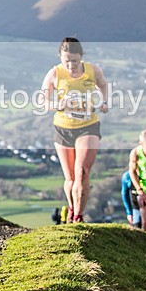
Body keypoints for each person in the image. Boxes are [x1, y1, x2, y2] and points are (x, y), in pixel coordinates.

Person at [38, 37, 108, 223]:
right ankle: (71, 208)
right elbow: (43, 101)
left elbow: (103, 86)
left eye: (74, 61)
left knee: (82, 172)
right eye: (66, 60)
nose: (70, 65)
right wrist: (57, 105)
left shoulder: (93, 70)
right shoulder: (54, 73)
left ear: (81, 57)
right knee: (70, 178)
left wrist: (104, 101)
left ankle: (78, 216)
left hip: (88, 126)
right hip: (63, 129)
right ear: (60, 57)